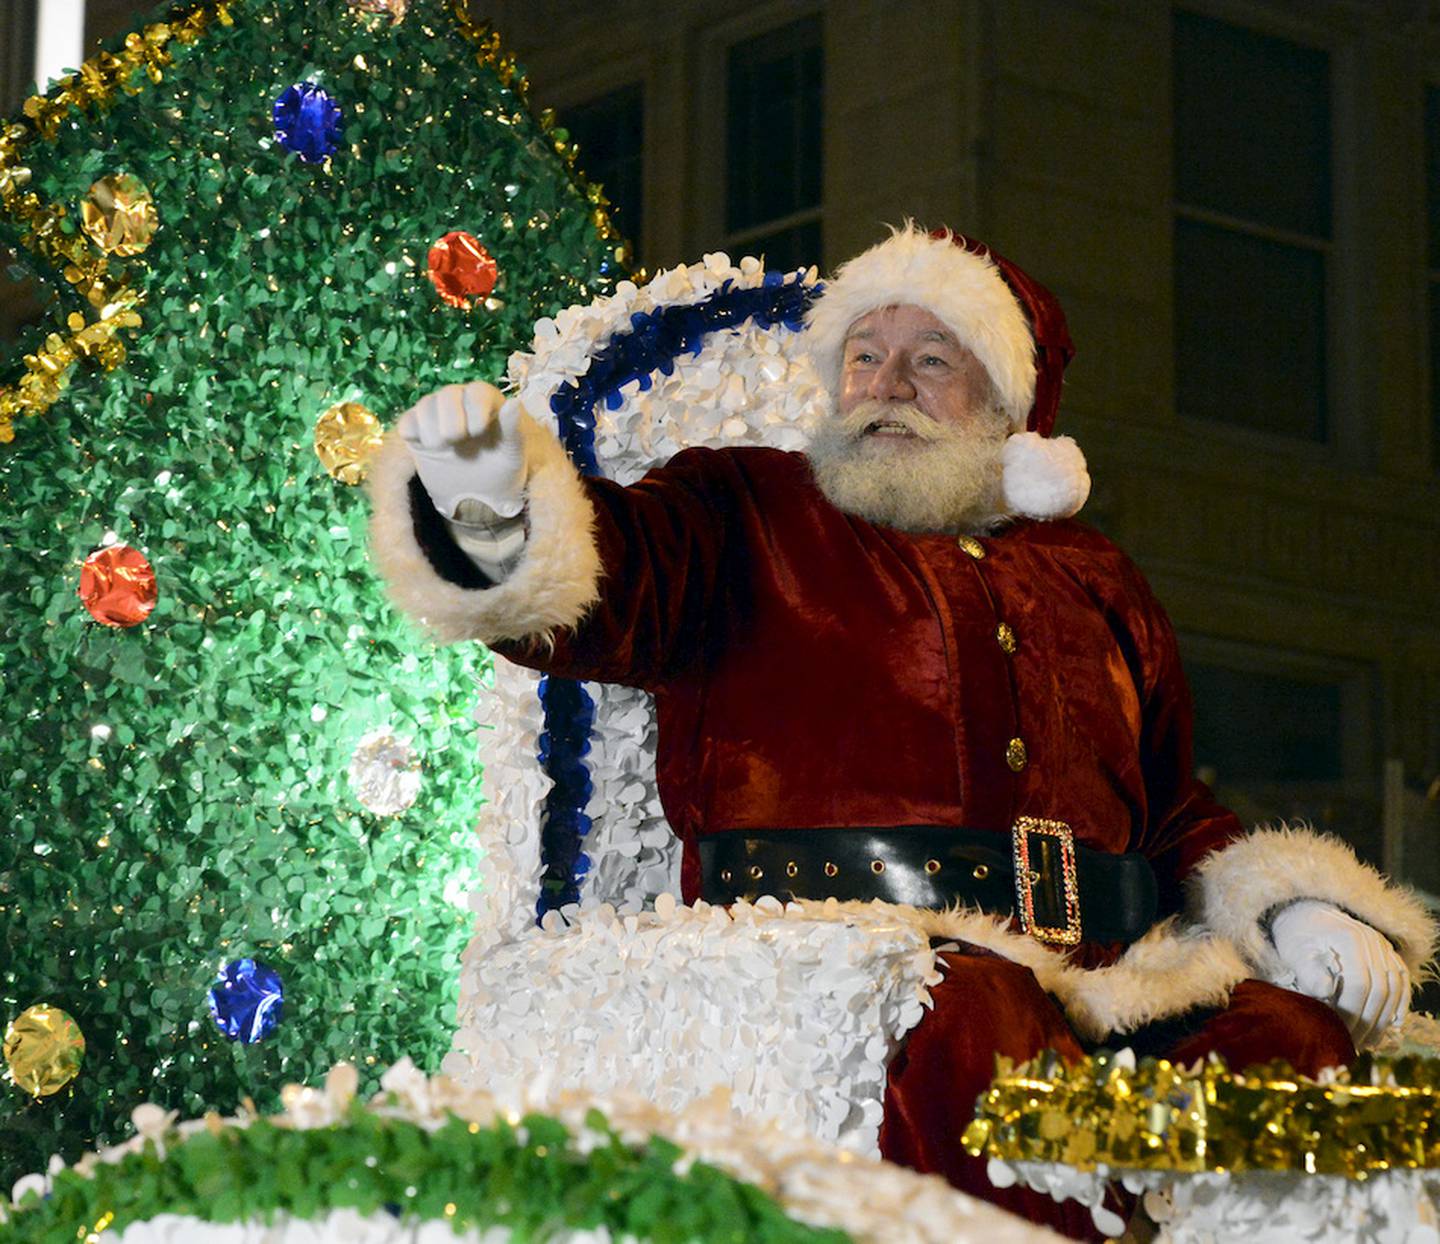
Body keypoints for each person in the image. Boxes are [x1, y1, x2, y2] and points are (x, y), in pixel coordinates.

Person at [368, 224, 1435, 1238]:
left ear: (1010, 403)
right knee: (980, 1028)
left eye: (930, 358)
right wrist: (489, 515)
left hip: (1116, 982)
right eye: (864, 353)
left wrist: (1290, 908)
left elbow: (1170, 815)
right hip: (875, 973)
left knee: (1293, 1042)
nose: (883, 382)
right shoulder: (751, 505)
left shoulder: (1097, 577)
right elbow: (607, 586)